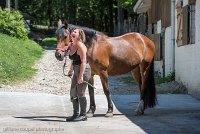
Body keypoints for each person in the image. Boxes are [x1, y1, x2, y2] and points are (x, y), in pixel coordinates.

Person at [66, 28, 91, 121]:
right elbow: (74, 59)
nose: (73, 33)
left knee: (80, 92)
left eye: (75, 32)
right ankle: (75, 114)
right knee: (73, 91)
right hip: (76, 69)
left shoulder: (81, 46)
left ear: (79, 36)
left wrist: (80, 76)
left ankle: (83, 115)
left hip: (83, 69)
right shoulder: (72, 45)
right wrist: (71, 69)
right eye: (73, 31)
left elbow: (84, 62)